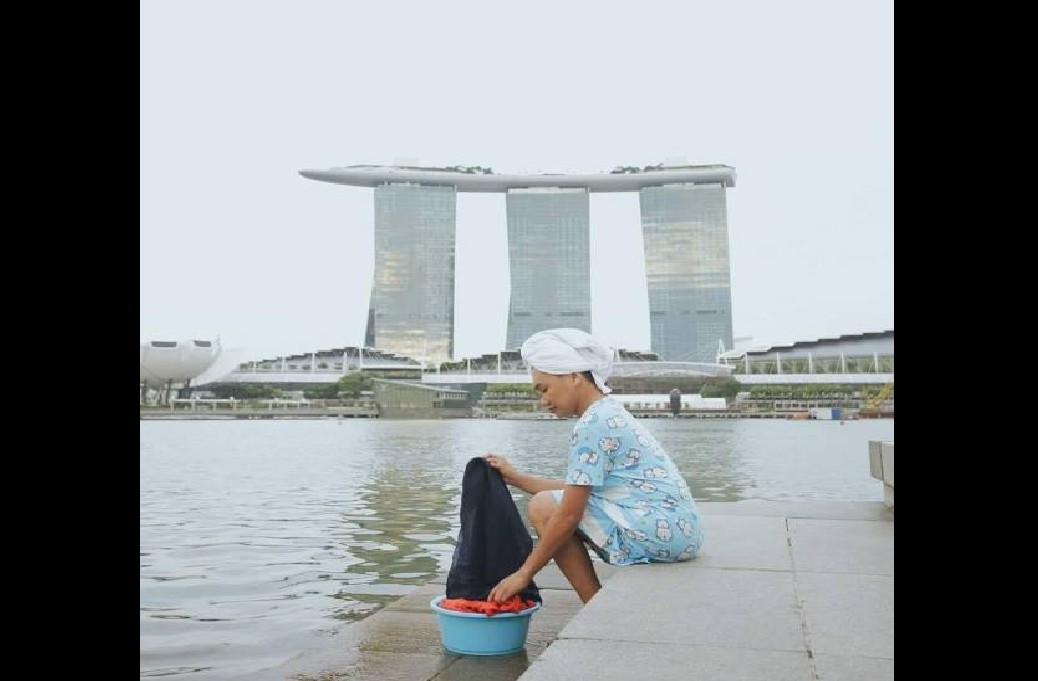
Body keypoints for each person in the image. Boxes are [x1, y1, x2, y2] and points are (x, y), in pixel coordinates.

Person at [485, 328, 704, 605]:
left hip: (663, 535)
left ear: (574, 376)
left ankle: (595, 605)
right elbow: (577, 490)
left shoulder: (592, 425)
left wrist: (524, 573)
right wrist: (514, 477)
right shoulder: (607, 411)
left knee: (544, 508)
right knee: (551, 503)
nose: (543, 401)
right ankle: (596, 603)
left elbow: (568, 513)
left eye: (545, 389)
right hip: (680, 533)